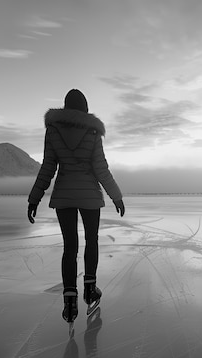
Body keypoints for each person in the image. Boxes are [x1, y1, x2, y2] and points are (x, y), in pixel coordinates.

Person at [27, 89, 125, 323]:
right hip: (90, 195)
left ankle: (69, 301)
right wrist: (116, 196)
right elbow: (100, 167)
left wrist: (34, 197)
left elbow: (48, 167)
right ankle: (90, 289)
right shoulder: (92, 131)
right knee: (92, 240)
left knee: (70, 246)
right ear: (85, 108)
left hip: (64, 196)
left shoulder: (53, 130)